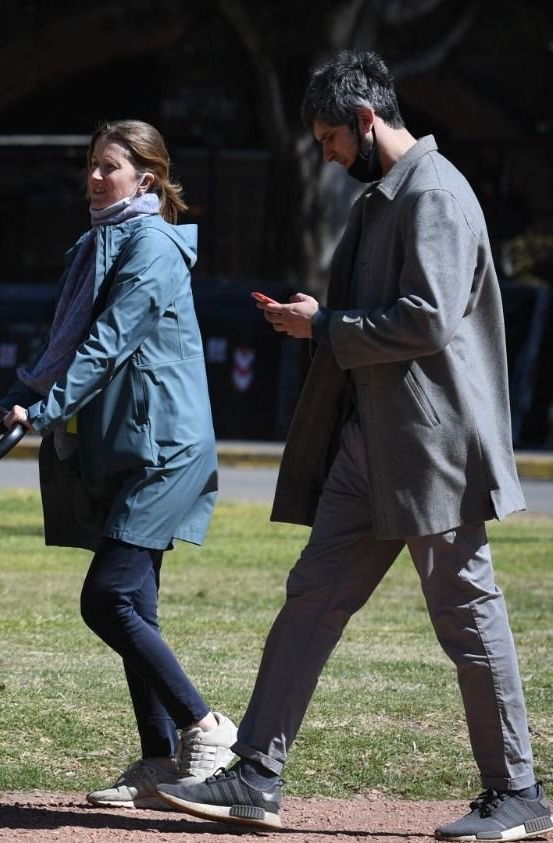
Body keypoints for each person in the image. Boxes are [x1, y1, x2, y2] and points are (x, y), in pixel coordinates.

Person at [156, 51, 546, 841]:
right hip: (374, 444)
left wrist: (323, 327)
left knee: (468, 620)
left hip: (432, 449)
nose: (327, 154)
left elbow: (428, 319)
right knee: (312, 598)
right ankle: (256, 773)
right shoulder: (380, 198)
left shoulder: (434, 193)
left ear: (368, 120)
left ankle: (518, 792)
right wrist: (318, 314)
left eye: (332, 137)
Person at [0, 119, 233, 811]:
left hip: (164, 447)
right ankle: (158, 760)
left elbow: (109, 343)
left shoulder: (150, 244)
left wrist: (48, 408)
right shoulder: (95, 245)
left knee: (108, 597)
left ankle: (205, 727)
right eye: (90, 164)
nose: (94, 176)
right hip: (125, 444)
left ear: (146, 178)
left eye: (108, 166)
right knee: (136, 604)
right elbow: (65, 341)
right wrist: (14, 399)